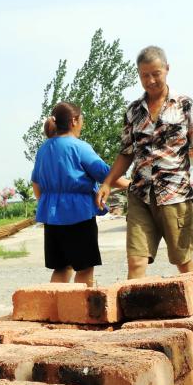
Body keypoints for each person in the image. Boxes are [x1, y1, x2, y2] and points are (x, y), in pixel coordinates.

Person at [96, 46, 193, 279]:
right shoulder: (133, 111)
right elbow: (126, 153)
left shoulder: (185, 105)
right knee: (135, 262)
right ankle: (135, 313)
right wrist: (107, 183)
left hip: (175, 194)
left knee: (183, 262)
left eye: (156, 73)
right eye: (145, 75)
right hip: (140, 194)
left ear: (167, 69)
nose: (151, 80)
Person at [30, 102, 123, 285]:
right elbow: (107, 176)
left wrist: (49, 204)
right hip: (79, 215)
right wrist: (134, 184)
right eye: (81, 120)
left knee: (61, 268)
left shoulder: (44, 149)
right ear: (74, 121)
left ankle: (57, 312)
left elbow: (36, 185)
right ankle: (80, 311)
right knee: (85, 269)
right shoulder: (79, 147)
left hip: (52, 217)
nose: (82, 124)